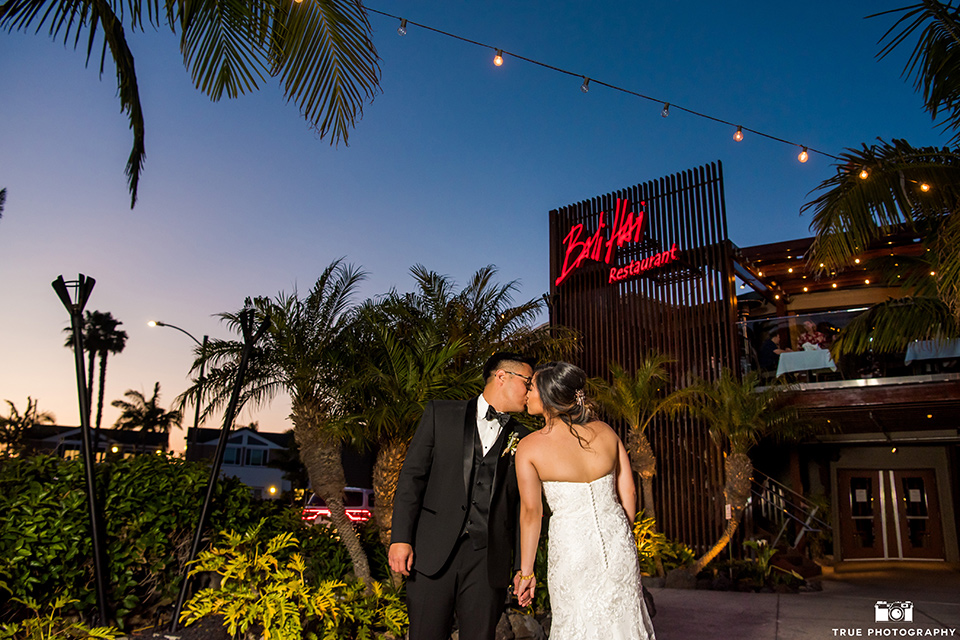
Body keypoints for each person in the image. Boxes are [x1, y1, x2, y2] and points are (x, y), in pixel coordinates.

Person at [389, 352, 536, 640]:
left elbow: (523, 508)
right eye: (527, 382)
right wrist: (400, 537)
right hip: (432, 551)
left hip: (488, 559)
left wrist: (521, 566)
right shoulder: (440, 414)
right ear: (502, 376)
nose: (530, 390)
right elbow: (411, 479)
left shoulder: (525, 437)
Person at [514, 361, 656, 640]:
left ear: (547, 395)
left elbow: (532, 512)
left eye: (531, 387)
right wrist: (622, 536)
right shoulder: (605, 432)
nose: (527, 393)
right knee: (623, 621)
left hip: (572, 549)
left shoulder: (530, 447)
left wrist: (527, 573)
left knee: (578, 621)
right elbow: (628, 492)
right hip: (617, 544)